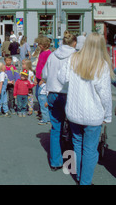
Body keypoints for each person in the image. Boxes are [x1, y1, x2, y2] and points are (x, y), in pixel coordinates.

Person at [58, 33, 114, 185]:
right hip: (92, 113)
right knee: (90, 149)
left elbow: (61, 78)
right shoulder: (101, 64)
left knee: (77, 143)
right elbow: (105, 95)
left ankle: (79, 175)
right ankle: (85, 180)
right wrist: (108, 115)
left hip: (74, 111)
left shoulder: (73, 59)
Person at [42, 31, 77, 169]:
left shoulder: (52, 55)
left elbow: (44, 74)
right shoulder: (76, 56)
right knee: (75, 129)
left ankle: (55, 162)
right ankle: (72, 163)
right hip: (70, 93)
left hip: (53, 93)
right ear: (74, 43)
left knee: (56, 128)